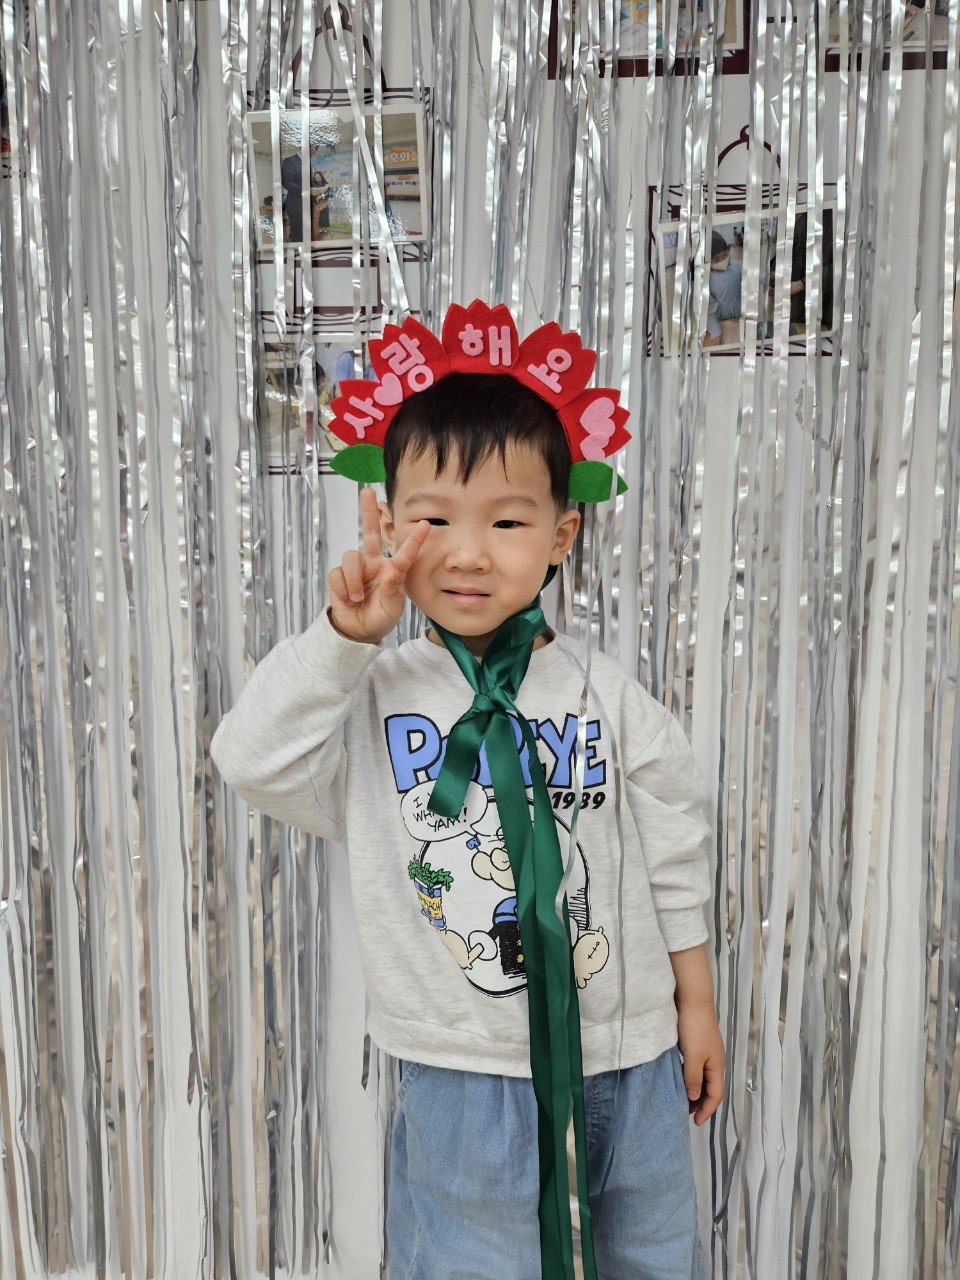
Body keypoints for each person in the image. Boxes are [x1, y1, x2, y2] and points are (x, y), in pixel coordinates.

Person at [212, 302, 725, 1280]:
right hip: (462, 1070)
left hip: (631, 1058)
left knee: (652, 1256)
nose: (469, 551)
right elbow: (253, 760)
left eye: (507, 521)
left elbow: (672, 847)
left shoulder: (605, 694)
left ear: (562, 534)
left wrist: (694, 1005)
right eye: (434, 518)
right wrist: (344, 639)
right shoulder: (371, 695)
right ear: (385, 523)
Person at [704, 228, 742, 346]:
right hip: (719, 322)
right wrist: (715, 333)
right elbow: (708, 309)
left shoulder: (736, 267)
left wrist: (769, 277)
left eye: (725, 255)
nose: (722, 260)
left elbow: (753, 275)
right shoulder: (706, 279)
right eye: (716, 259)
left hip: (739, 317)